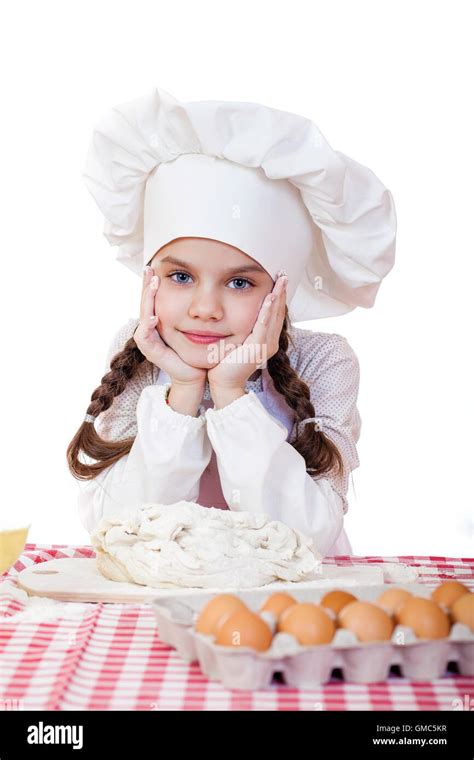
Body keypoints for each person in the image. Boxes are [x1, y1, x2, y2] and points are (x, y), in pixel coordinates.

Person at [67, 86, 397, 557]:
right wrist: (181, 389)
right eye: (180, 276)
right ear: (150, 278)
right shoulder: (140, 348)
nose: (206, 308)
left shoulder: (325, 361)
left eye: (240, 283)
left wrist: (230, 394)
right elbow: (120, 529)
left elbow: (308, 539)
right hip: (167, 591)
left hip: (289, 598)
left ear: (282, 293)